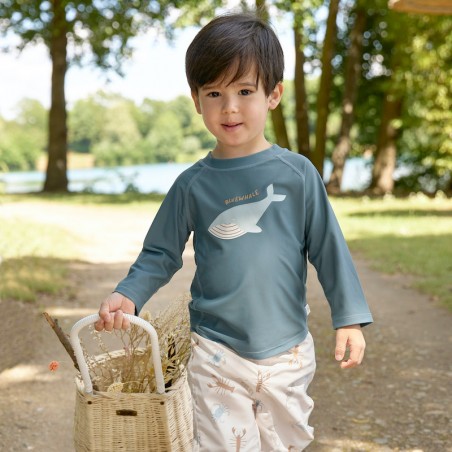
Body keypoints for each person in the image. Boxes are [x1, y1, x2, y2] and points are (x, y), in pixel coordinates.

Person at [95, 11, 373, 451]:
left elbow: (329, 249)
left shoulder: (297, 175)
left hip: (288, 348)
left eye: (245, 91)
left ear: (274, 94)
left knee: (287, 441)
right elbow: (159, 254)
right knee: (223, 445)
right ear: (196, 99)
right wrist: (128, 293)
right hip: (215, 349)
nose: (230, 107)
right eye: (215, 92)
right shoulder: (193, 184)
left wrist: (350, 319)